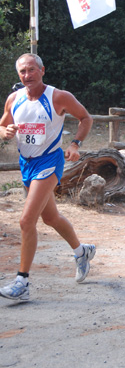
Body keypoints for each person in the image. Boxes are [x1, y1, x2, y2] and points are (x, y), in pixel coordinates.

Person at [0, 53, 96, 302]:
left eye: (31, 70)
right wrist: (5, 131)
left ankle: (22, 281)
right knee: (50, 217)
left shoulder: (58, 97)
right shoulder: (14, 99)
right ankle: (81, 251)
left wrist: (75, 144)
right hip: (27, 165)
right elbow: (2, 125)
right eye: (22, 71)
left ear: (42, 70)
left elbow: (85, 117)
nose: (27, 75)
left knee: (25, 221)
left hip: (49, 162)